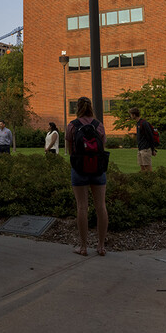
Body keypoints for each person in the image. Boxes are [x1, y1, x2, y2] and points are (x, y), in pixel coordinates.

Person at [65, 97, 108, 257]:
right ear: (91, 108)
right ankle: (101, 246)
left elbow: (70, 148)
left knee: (82, 207)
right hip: (98, 169)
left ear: (78, 108)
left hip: (79, 170)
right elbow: (102, 147)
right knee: (101, 207)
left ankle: (83, 247)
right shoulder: (99, 125)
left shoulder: (72, 125)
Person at [129, 107, 157, 172]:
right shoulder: (138, 123)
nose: (130, 116)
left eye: (131, 114)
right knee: (142, 168)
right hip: (140, 149)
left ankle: (151, 180)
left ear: (134, 115)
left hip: (146, 149)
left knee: (148, 168)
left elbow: (150, 136)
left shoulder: (144, 123)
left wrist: (153, 149)